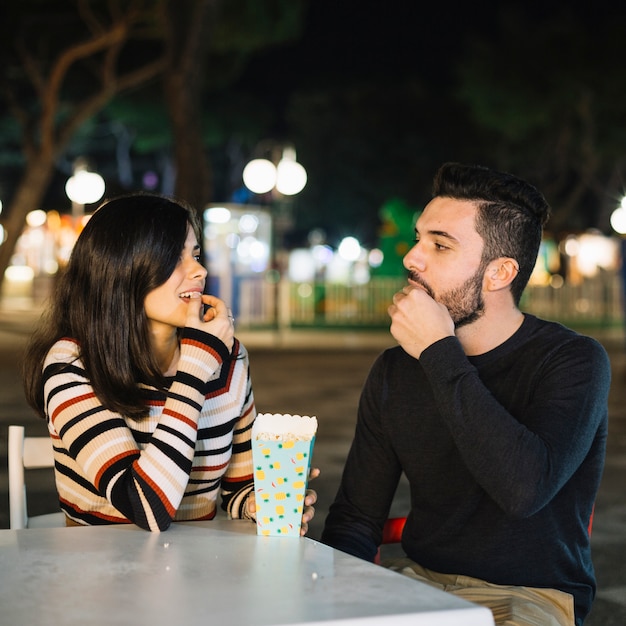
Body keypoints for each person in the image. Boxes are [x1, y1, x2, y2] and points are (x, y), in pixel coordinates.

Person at [321, 163, 610, 626]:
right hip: (415, 581)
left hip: (528, 597)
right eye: (419, 238)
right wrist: (334, 602)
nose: (413, 258)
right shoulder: (396, 369)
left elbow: (524, 490)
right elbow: (356, 518)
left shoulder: (573, 361)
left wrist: (439, 352)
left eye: (439, 245)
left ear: (499, 273)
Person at [22, 193, 317, 533]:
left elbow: (239, 487)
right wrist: (195, 369)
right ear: (123, 269)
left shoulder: (229, 357)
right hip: (100, 572)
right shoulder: (72, 363)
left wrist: (260, 503)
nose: (200, 270)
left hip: (198, 571)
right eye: (174, 258)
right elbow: (145, 507)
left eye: (194, 254)